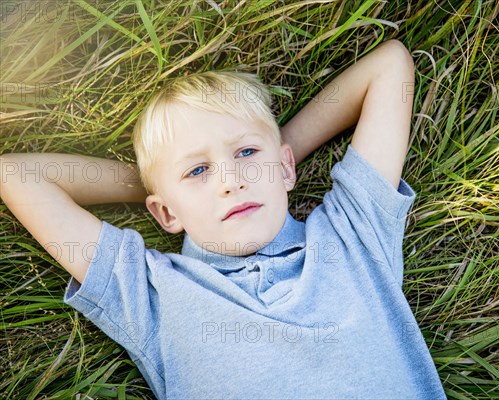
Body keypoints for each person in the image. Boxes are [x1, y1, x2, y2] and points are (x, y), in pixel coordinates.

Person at [0, 39, 446, 399]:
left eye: (246, 153)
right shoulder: (151, 293)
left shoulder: (353, 234)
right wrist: (161, 187)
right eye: (198, 170)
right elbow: (16, 174)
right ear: (166, 213)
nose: (230, 181)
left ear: (287, 168)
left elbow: (390, 67)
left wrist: (273, 157)